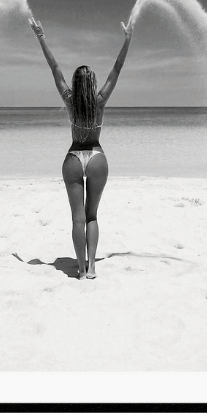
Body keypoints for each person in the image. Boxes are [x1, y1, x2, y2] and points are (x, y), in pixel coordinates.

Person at [29, 16, 133, 280]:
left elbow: (54, 68)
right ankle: (93, 268)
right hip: (97, 156)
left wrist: (41, 36)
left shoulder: (69, 101)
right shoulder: (100, 101)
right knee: (91, 216)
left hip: (74, 157)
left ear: (76, 84)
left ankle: (81, 267)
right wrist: (128, 39)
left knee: (77, 219)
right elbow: (117, 69)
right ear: (93, 83)